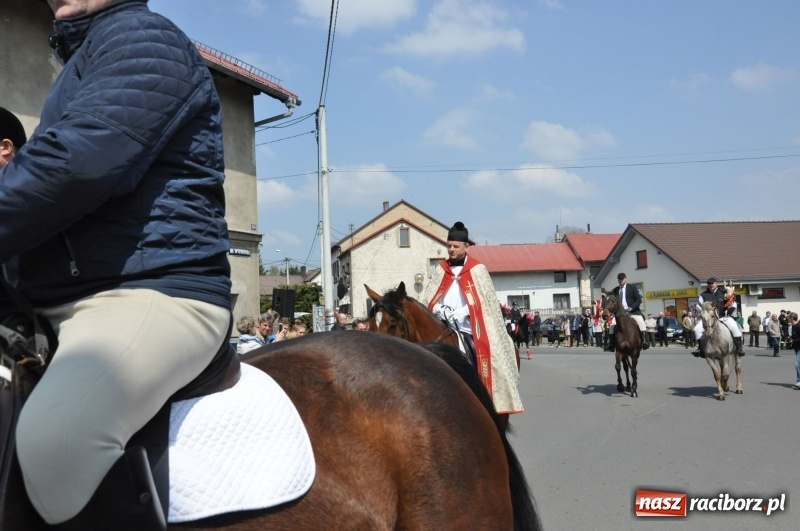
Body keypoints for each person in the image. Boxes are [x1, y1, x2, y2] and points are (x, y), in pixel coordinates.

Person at [6, 2, 233, 529]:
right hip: (67, 293)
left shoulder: (144, 38)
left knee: (57, 441)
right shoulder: (86, 55)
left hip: (152, 290)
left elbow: (75, 165)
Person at [422, 221, 523, 418]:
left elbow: (486, 301)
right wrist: (439, 309)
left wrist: (465, 311)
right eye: (449, 246)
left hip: (470, 326)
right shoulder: (441, 269)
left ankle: (486, 397)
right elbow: (429, 297)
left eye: (455, 246)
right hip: (444, 323)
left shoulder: (477, 269)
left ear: (466, 247)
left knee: (487, 352)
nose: (451, 250)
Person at [691, 278, 745, 358]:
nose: (711, 285)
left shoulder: (723, 292)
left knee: (734, 327)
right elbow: (698, 306)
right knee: (696, 329)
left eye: (712, 283)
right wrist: (704, 312)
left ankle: (739, 348)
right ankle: (701, 350)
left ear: (717, 284)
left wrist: (731, 308)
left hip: (723, 317)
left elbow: (733, 302)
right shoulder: (703, 295)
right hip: (709, 319)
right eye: (709, 283)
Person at [607, 273, 649, 351]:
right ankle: (611, 344)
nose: (620, 280)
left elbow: (638, 300)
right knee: (612, 326)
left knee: (641, 322)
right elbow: (612, 301)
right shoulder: (615, 290)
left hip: (632, 312)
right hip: (620, 314)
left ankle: (644, 341)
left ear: (625, 279)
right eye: (619, 279)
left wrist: (631, 308)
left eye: (622, 279)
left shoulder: (632, 288)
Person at [789, 313, 800, 389]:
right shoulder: (792, 326)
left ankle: (799, 382)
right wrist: (789, 338)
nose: (788, 319)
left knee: (797, 364)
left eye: (789, 318)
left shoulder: (798, 326)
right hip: (796, 347)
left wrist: (793, 341)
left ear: (792, 318)